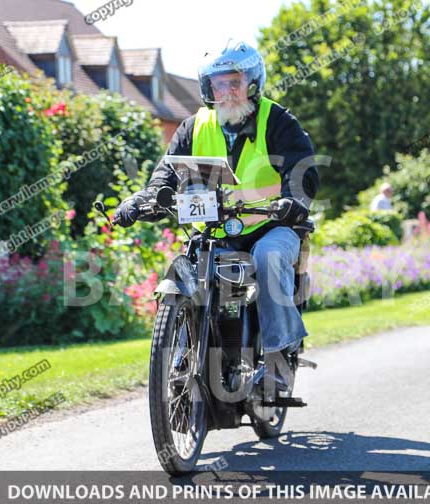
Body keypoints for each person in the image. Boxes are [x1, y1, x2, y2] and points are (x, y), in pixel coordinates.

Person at [113, 39, 319, 365]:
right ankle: (187, 351)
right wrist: (144, 199)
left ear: (252, 83)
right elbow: (166, 174)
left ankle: (279, 355)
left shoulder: (277, 121)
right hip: (215, 230)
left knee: (269, 257)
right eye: (219, 84)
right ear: (209, 88)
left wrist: (293, 201)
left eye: (234, 82)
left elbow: (301, 170)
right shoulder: (193, 127)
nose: (227, 92)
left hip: (270, 223)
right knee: (190, 266)